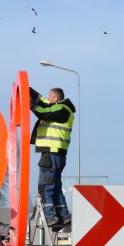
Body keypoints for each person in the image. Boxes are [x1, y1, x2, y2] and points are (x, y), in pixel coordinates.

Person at [29, 86, 76, 227]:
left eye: (50, 96)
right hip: (58, 154)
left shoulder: (60, 109)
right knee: (55, 187)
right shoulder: (62, 108)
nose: (48, 98)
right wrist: (29, 90)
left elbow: (43, 112)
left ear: (56, 99)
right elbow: (43, 102)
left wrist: (29, 103)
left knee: (45, 185)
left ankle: (50, 217)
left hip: (51, 153)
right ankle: (63, 216)